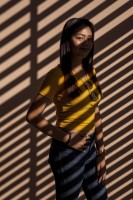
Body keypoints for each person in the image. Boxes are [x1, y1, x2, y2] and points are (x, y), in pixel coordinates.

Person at [26, 18, 108, 200]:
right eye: (80, 37)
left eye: (90, 38)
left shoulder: (90, 71)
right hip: (68, 151)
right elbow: (32, 116)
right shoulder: (57, 75)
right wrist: (67, 138)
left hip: (90, 147)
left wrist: (101, 152)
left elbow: (95, 111)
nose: (86, 43)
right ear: (67, 40)